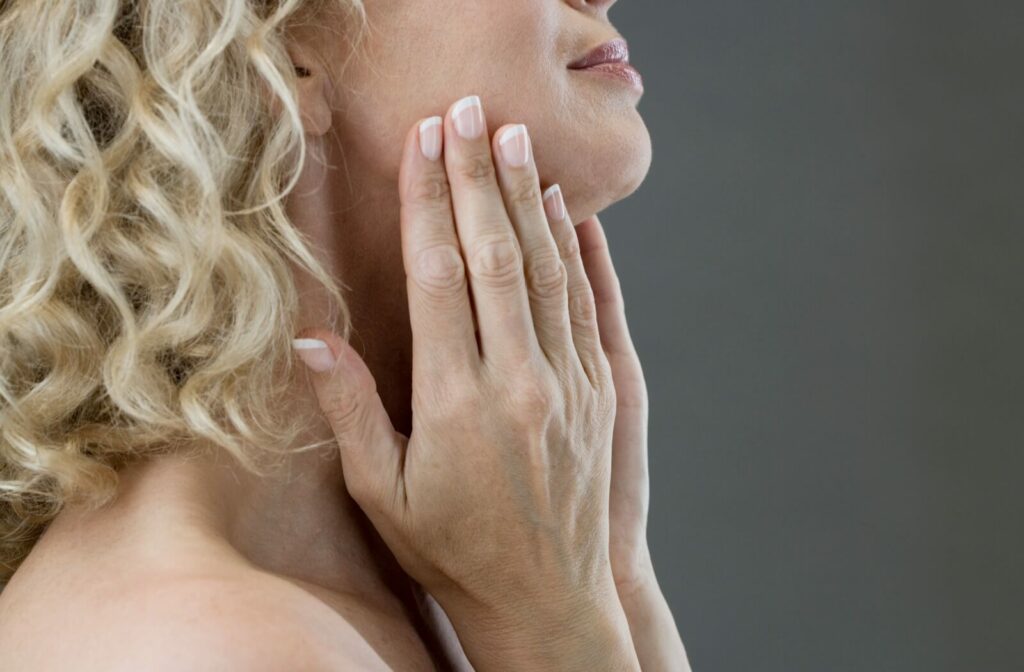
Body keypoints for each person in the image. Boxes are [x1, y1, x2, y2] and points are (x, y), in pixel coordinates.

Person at [0, 0, 690, 668]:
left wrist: (610, 585)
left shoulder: (457, 588)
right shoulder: (212, 645)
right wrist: (556, 637)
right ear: (286, 54)